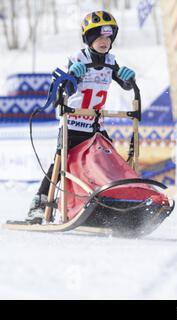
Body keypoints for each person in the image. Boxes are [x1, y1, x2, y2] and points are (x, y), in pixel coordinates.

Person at [27, 11, 136, 223]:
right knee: (59, 165)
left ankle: (107, 201)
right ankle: (39, 205)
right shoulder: (77, 60)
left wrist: (129, 79)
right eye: (99, 38)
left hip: (95, 126)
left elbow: (125, 84)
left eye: (108, 37)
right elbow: (63, 91)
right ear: (88, 39)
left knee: (107, 161)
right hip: (73, 124)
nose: (105, 42)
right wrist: (72, 76)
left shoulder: (111, 62)